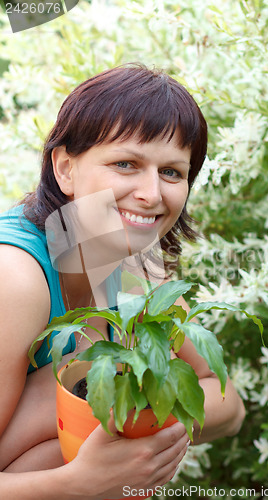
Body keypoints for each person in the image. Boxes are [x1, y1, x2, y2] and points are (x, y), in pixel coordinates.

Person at [0, 64, 245, 499]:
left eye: (172, 172)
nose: (152, 193)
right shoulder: (15, 279)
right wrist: (77, 483)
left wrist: (138, 424)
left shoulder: (135, 269)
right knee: (86, 376)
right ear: (65, 169)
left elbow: (230, 406)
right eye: (126, 163)